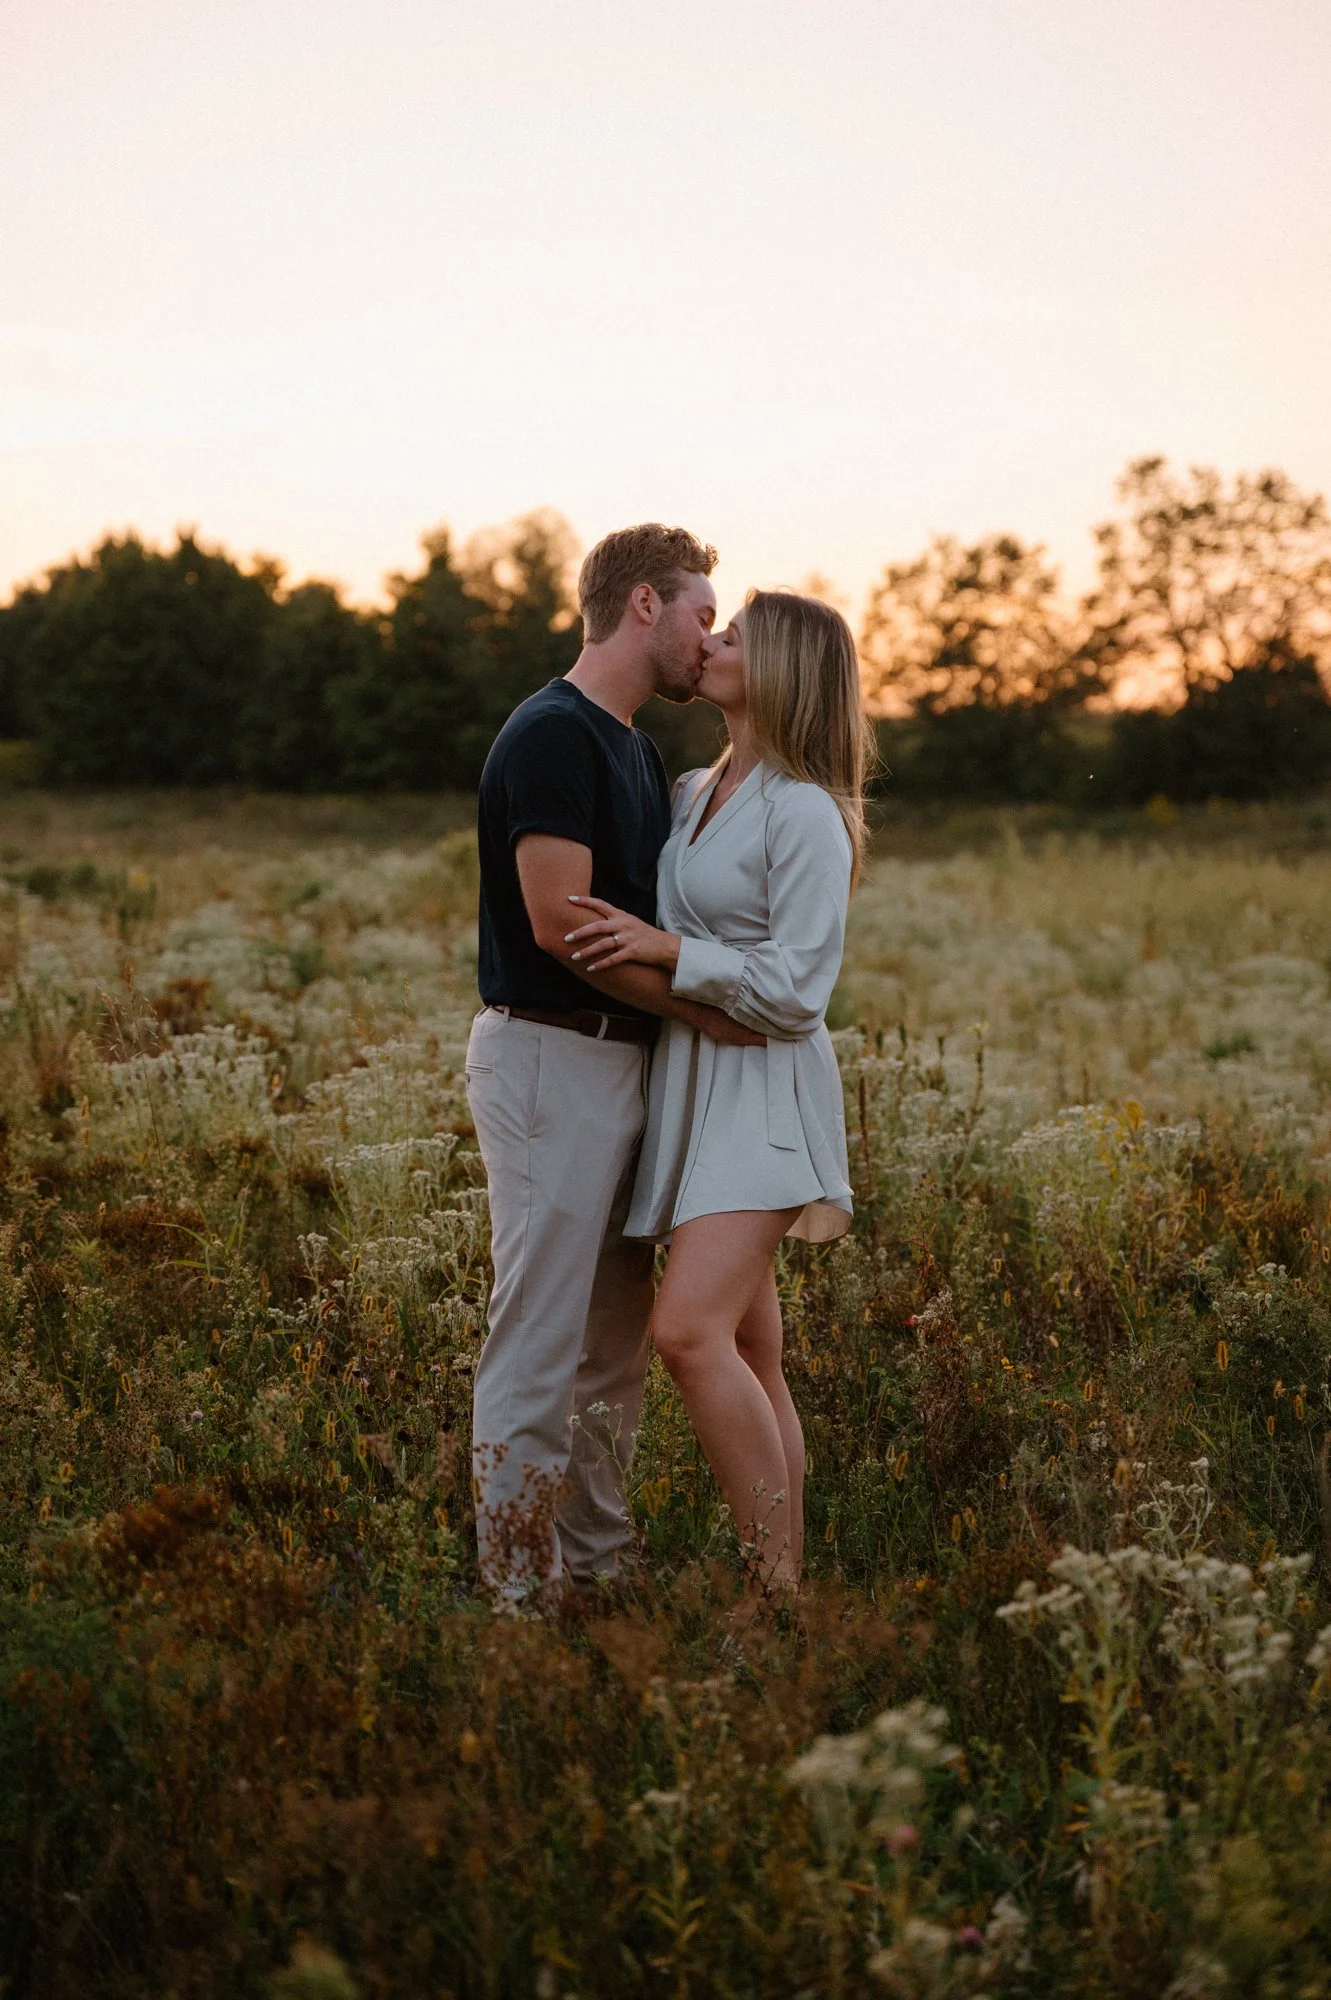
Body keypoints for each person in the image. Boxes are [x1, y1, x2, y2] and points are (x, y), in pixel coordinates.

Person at [466, 523, 763, 1600]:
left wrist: (694, 1007)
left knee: (607, 1352)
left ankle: (593, 1573)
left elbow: (634, 924)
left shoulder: (636, 750)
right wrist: (712, 1013)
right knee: (537, 1343)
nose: (710, 636)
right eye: (700, 612)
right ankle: (518, 1599)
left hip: (620, 1066)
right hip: (549, 1057)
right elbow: (559, 927)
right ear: (644, 604)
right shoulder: (552, 733)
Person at [564, 590, 873, 1597]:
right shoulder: (698, 787)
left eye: (733, 635)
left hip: (768, 1093)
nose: (711, 643)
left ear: (780, 666)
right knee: (748, 1344)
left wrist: (666, 947)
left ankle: (768, 1593)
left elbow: (796, 989)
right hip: (697, 1085)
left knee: (687, 1330)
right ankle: (787, 1586)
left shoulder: (807, 810)